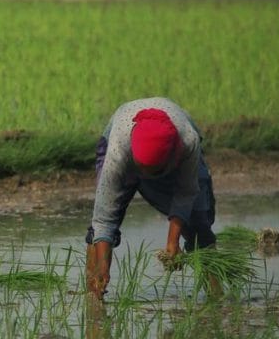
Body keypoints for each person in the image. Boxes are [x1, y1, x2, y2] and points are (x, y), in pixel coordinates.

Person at [85, 98, 216, 299]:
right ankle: (94, 296)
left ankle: (216, 296)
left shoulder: (188, 142)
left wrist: (173, 242)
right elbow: (104, 216)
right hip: (123, 143)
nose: (146, 178)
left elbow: (186, 192)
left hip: (174, 153)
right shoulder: (119, 151)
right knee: (99, 233)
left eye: (153, 173)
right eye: (142, 171)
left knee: (200, 224)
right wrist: (103, 266)